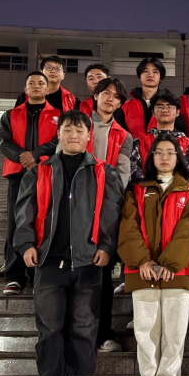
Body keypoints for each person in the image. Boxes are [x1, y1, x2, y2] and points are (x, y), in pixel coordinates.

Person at [13, 110, 124, 376]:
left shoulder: (105, 172)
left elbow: (113, 214)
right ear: (58, 134)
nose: (73, 135)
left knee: (84, 327)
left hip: (88, 263)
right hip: (48, 261)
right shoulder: (40, 171)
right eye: (67, 130)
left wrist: (107, 247)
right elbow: (24, 211)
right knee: (49, 328)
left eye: (79, 131)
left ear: (89, 136)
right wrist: (26, 245)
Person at [118, 133, 189, 376]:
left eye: (170, 152)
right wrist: (142, 261)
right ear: (151, 158)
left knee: (175, 334)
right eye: (159, 152)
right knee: (145, 332)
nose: (164, 157)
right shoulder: (136, 192)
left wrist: (170, 263)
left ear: (178, 158)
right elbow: (128, 229)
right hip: (142, 271)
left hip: (179, 271)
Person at [0, 71, 60, 295]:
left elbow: (58, 141)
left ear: (48, 89)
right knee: (15, 223)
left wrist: (36, 154)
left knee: (41, 221)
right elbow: (3, 141)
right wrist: (24, 158)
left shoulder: (59, 115)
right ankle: (14, 276)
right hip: (17, 174)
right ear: (25, 89)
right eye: (31, 83)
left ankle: (37, 274)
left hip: (46, 172)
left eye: (41, 83)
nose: (36, 86)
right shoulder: (10, 114)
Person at [83, 77, 132, 353]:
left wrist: (107, 202)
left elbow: (122, 177)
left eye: (116, 95)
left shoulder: (124, 135)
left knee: (102, 277)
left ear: (120, 103)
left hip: (106, 209)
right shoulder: (78, 124)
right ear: (95, 96)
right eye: (106, 93)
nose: (110, 98)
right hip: (76, 207)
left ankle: (103, 334)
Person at [130, 89, 189, 184]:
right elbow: (135, 175)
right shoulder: (139, 142)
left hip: (177, 191)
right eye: (160, 106)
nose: (165, 110)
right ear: (153, 112)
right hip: (145, 191)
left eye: (169, 106)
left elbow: (187, 176)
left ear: (177, 112)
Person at [15, 56, 80, 112]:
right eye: (49, 67)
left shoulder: (71, 99)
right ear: (41, 73)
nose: (53, 71)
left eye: (58, 69)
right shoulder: (25, 97)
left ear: (63, 75)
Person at [122, 57, 165, 139]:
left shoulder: (169, 106)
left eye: (155, 72)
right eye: (145, 71)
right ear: (139, 77)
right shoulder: (126, 107)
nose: (150, 75)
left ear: (160, 78)